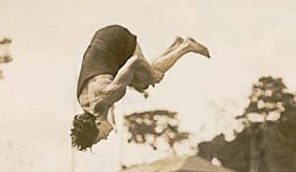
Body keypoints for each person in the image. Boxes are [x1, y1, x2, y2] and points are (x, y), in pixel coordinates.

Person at [71, 25, 210, 150]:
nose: (105, 138)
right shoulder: (85, 102)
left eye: (100, 138)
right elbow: (100, 93)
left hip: (117, 40)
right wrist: (111, 114)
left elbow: (135, 62)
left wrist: (152, 75)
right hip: (103, 38)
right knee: (137, 79)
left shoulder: (109, 94)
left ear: (98, 125)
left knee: (145, 81)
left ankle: (186, 47)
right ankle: (175, 45)